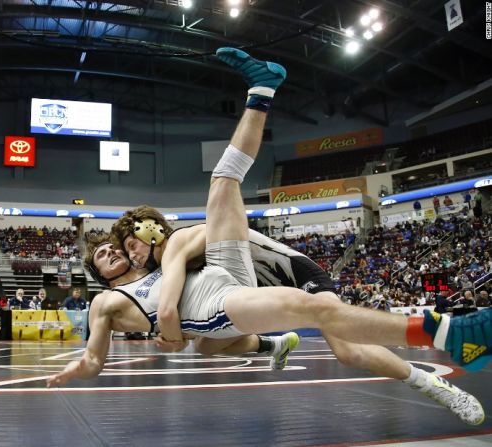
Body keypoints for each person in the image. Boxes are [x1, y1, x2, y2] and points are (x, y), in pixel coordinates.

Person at [48, 47, 488, 426]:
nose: (130, 250)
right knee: (227, 341)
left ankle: (444, 345)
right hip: (233, 293)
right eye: (122, 250)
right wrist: (169, 333)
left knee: (341, 344)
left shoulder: (177, 243)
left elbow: (171, 302)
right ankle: (432, 362)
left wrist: (171, 328)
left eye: (131, 242)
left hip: (278, 272)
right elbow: (168, 319)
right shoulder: (136, 280)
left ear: (151, 229)